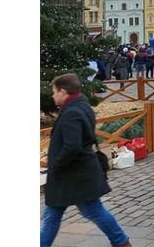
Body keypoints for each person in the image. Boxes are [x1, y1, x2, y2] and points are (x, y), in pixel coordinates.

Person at [41, 73, 132, 247]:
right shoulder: (82, 106)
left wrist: (56, 164)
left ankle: (121, 242)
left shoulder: (72, 112)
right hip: (76, 174)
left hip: (74, 176)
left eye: (54, 92)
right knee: (53, 216)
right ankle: (121, 242)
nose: (52, 96)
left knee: (92, 211)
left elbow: (72, 146)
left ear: (63, 91)